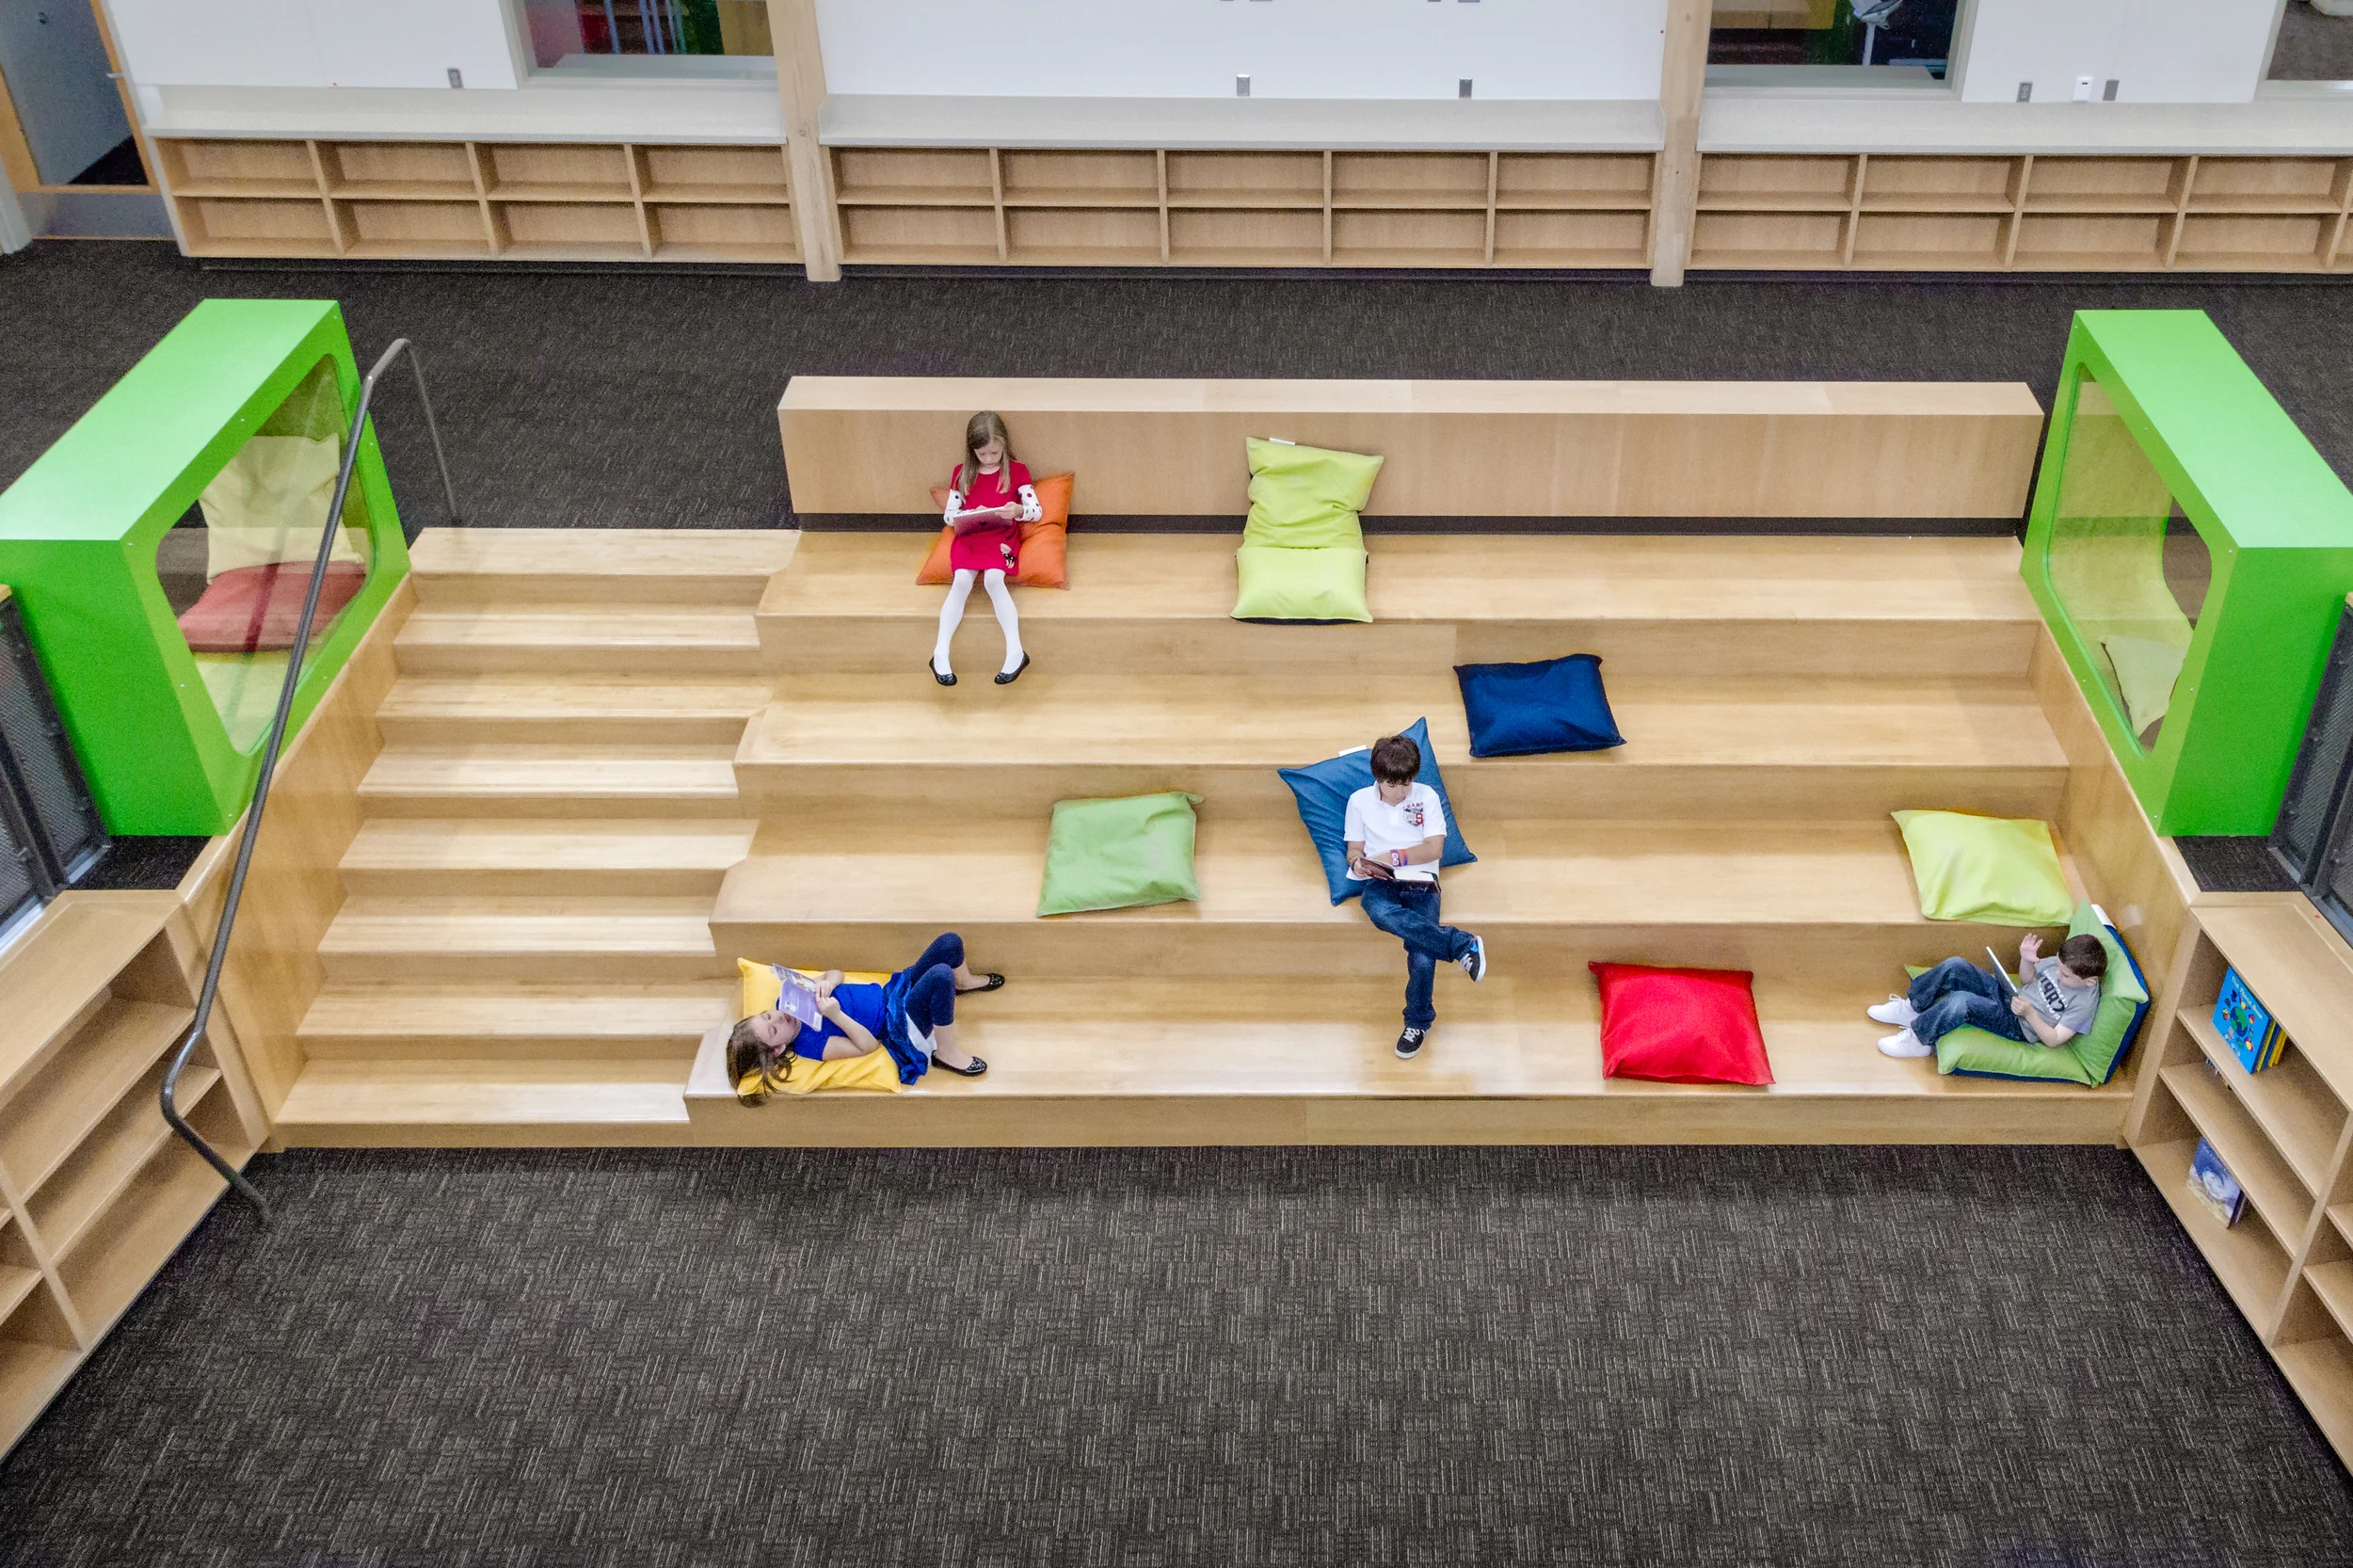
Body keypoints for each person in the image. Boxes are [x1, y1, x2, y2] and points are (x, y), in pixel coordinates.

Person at [1344, 732, 1488, 1061]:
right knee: (1377, 910)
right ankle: (1461, 943)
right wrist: (1359, 863)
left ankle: (1418, 1023)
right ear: (1378, 778)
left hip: (1422, 881)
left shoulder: (1427, 797)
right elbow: (1354, 847)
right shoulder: (1358, 802)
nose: (1400, 791)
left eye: (1406, 784)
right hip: (1381, 882)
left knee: (1422, 958)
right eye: (1393, 785)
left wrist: (1391, 857)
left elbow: (1433, 848)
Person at [729, 933, 1003, 1096]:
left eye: (768, 1016)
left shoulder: (788, 1000)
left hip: (893, 992)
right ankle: (946, 1053)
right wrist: (836, 1016)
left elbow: (837, 973)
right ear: (778, 1048)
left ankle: (963, 983)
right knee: (940, 976)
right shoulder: (810, 1044)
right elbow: (868, 1046)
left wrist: (829, 982)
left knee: (949, 943)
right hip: (899, 1022)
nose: (777, 1018)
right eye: (774, 1029)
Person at [930, 410, 1040, 687]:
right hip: (970, 537)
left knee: (993, 578)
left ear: (1004, 446)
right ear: (972, 451)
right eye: (983, 454)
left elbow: (1036, 511)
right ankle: (940, 652)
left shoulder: (1018, 471)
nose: (989, 459)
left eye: (995, 453)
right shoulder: (962, 473)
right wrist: (967, 513)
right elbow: (949, 516)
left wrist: (1018, 510)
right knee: (961, 580)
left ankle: (1015, 650)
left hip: (1002, 535)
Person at [1870, 932, 2106, 1059]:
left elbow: (2054, 1040)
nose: (2057, 974)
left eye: (2064, 976)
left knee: (1962, 1001)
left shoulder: (2084, 1003)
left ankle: (1919, 1039)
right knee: (1956, 965)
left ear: (2089, 980)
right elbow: (2028, 980)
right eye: (2058, 967)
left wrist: (2030, 1013)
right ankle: (1913, 1006)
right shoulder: (2062, 965)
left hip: (2020, 1024)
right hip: (2012, 997)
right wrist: (2026, 959)